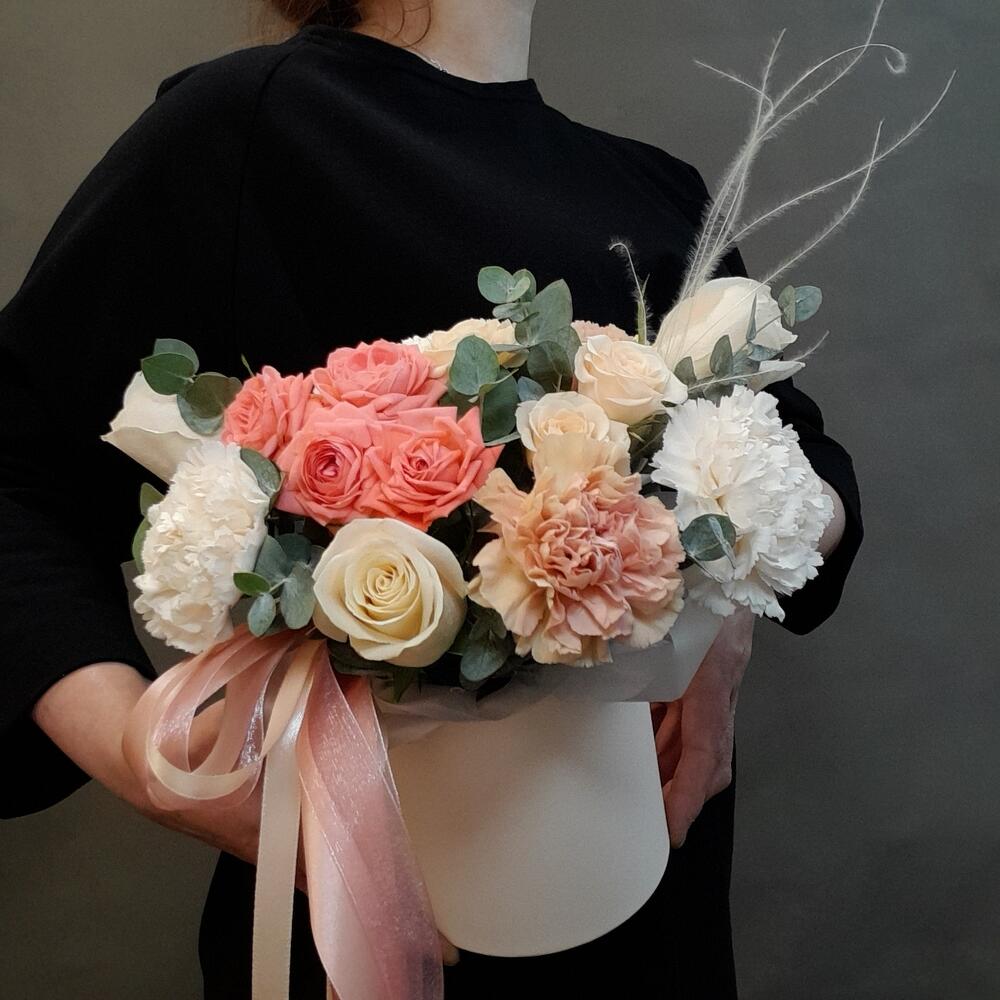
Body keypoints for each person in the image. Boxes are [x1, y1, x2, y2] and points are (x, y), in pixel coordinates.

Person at [0, 1, 863, 996]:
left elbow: (811, 469)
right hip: (358, 903)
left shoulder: (655, 188)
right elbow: (14, 469)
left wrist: (731, 575)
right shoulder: (250, 128)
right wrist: (141, 754)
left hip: (644, 902)